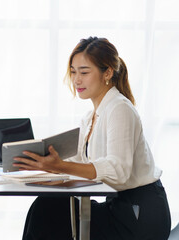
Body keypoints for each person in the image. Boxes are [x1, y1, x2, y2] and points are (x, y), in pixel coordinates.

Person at [15, 37, 171, 240]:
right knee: (48, 205)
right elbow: (80, 163)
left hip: (138, 216)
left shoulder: (119, 108)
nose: (76, 80)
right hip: (118, 206)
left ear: (107, 73)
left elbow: (117, 171)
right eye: (73, 72)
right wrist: (42, 165)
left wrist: (60, 167)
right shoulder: (91, 117)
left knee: (49, 211)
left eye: (84, 72)